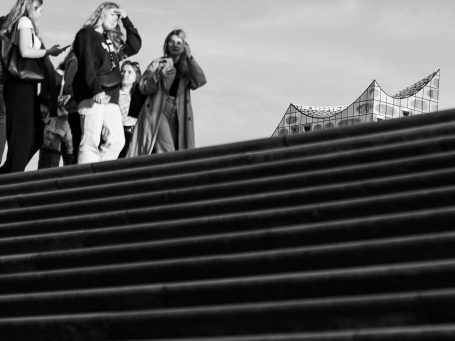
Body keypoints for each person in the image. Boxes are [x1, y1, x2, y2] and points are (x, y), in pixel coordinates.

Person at [73, 2, 141, 165]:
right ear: (101, 12)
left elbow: (135, 45)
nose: (115, 19)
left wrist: (126, 19)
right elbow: (87, 64)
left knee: (117, 140)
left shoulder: (111, 41)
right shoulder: (87, 34)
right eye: (113, 14)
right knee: (91, 141)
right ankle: (85, 182)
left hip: (111, 98)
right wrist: (96, 90)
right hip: (92, 95)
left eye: (118, 17)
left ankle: (96, 175)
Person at [0, 0, 64, 173]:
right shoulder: (25, 21)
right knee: (23, 137)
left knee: (33, 134)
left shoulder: (23, 23)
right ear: (31, 7)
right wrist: (49, 51)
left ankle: (8, 171)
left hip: (25, 87)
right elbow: (25, 51)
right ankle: (10, 177)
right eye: (40, 8)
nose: (42, 12)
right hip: (19, 86)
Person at [126, 29, 206, 157]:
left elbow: (200, 81)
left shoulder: (187, 67)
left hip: (179, 112)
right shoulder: (157, 63)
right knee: (167, 148)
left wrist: (190, 57)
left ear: (185, 47)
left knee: (177, 147)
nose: (175, 45)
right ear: (166, 45)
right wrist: (157, 76)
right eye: (172, 42)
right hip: (159, 109)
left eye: (179, 43)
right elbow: (142, 86)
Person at [117, 60, 145, 158]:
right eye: (123, 71)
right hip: (121, 133)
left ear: (136, 77)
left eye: (129, 72)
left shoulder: (138, 96)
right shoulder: (115, 94)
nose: (125, 74)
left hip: (137, 133)